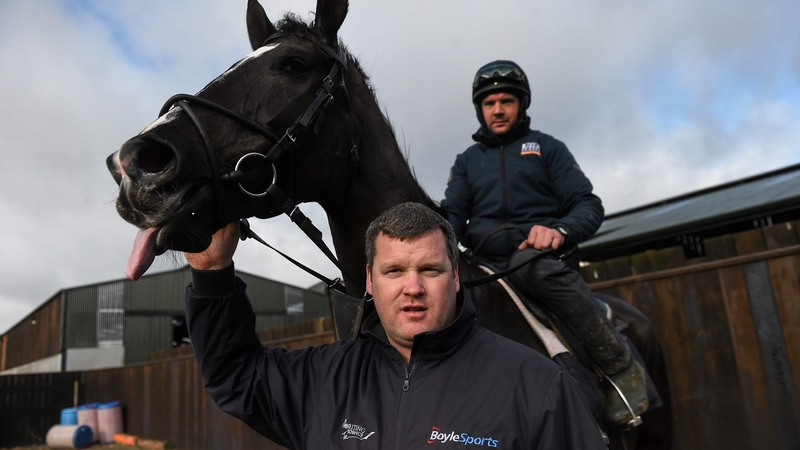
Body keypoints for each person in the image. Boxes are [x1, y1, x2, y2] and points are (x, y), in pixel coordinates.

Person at [184, 202, 608, 449]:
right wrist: (210, 273)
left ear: (456, 276)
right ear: (369, 280)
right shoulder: (322, 380)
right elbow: (235, 377)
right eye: (393, 272)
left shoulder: (539, 387)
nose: (413, 288)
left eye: (430, 269)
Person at [441, 60, 648, 427]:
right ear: (480, 109)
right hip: (486, 261)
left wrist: (560, 230)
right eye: (489, 103)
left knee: (536, 270)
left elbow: (588, 204)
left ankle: (621, 367)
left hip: (539, 259)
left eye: (506, 101)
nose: (498, 110)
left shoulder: (549, 149)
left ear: (522, 105)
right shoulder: (467, 162)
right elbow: (453, 215)